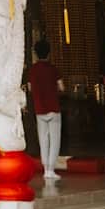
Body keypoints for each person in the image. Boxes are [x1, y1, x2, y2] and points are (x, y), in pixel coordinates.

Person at [27, 39, 62, 182]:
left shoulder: (33, 70)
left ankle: (45, 168)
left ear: (36, 54)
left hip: (39, 109)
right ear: (49, 53)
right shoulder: (53, 69)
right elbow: (62, 87)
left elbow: (29, 88)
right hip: (53, 108)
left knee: (43, 140)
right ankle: (51, 169)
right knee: (54, 140)